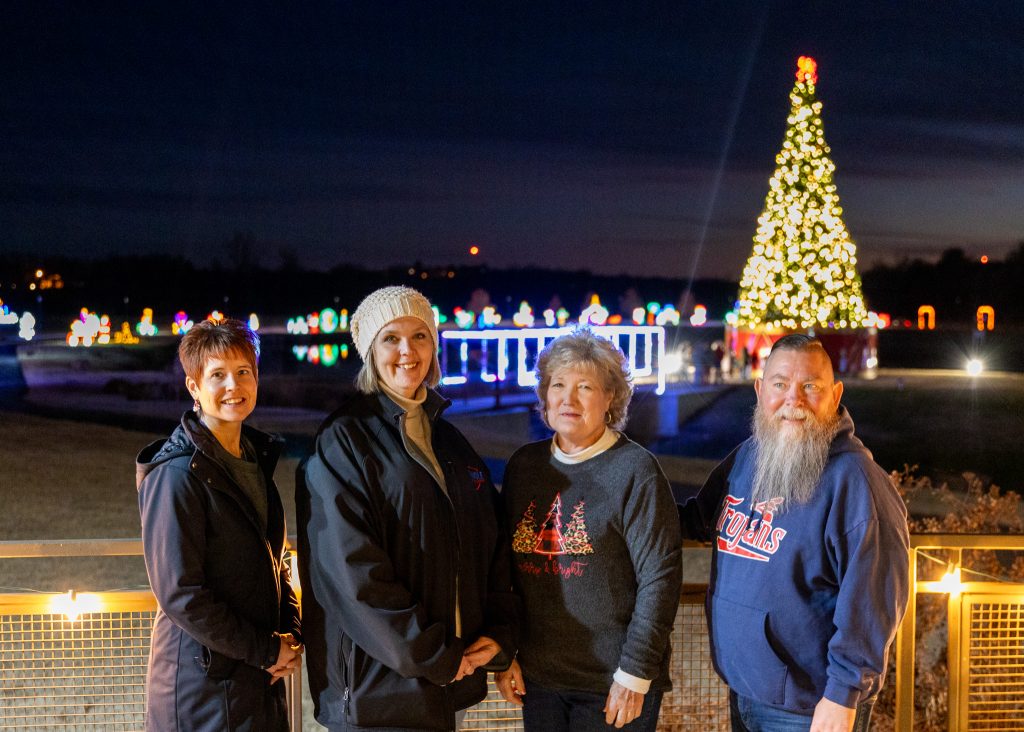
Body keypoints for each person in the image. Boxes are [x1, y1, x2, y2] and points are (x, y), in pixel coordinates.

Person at [297, 285, 517, 731]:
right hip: (376, 690)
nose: (407, 351)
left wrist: (501, 634)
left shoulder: (450, 442)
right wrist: (432, 655)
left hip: (442, 682)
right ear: (370, 352)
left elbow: (491, 543)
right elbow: (352, 572)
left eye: (419, 336)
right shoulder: (345, 440)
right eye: (390, 338)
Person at [680, 334, 910, 732]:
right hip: (745, 691)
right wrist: (624, 500)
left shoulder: (856, 482)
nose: (794, 399)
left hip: (811, 707)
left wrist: (843, 695)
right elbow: (699, 519)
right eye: (780, 384)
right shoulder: (750, 455)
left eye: (810, 386)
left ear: (835, 394)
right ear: (759, 389)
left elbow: (874, 601)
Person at [496, 328, 681, 731]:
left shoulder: (636, 471)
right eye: (558, 385)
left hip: (612, 683)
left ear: (610, 397)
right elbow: (503, 571)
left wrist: (634, 674)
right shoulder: (525, 467)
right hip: (539, 679)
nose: (568, 398)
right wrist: (506, 651)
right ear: (544, 395)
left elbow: (660, 579)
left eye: (585, 386)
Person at [137, 318, 302, 731]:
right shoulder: (176, 474)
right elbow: (181, 593)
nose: (234, 386)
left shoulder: (252, 459)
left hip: (256, 677)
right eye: (217, 375)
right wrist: (266, 650)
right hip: (202, 687)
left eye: (243, 372)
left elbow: (277, 559)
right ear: (194, 387)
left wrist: (290, 635)